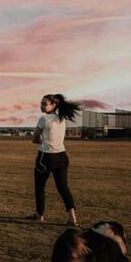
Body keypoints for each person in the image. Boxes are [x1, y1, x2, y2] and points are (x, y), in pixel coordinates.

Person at [29, 93, 81, 226]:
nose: (41, 106)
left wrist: (43, 142)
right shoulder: (62, 119)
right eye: (41, 103)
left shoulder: (44, 119)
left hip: (46, 157)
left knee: (40, 187)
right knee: (63, 187)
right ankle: (73, 218)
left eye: (44, 104)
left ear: (53, 105)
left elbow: (35, 138)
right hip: (62, 157)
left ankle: (39, 216)